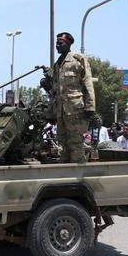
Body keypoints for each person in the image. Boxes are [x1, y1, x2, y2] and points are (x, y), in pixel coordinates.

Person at [47, 32, 95, 163]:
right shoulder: (57, 65)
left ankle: (79, 173)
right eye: (56, 43)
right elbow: (54, 91)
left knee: (75, 142)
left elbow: (88, 83)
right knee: (62, 141)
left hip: (74, 110)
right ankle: (67, 172)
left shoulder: (78, 59)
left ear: (68, 44)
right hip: (61, 111)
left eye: (60, 43)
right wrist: (51, 112)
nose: (57, 45)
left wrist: (90, 106)